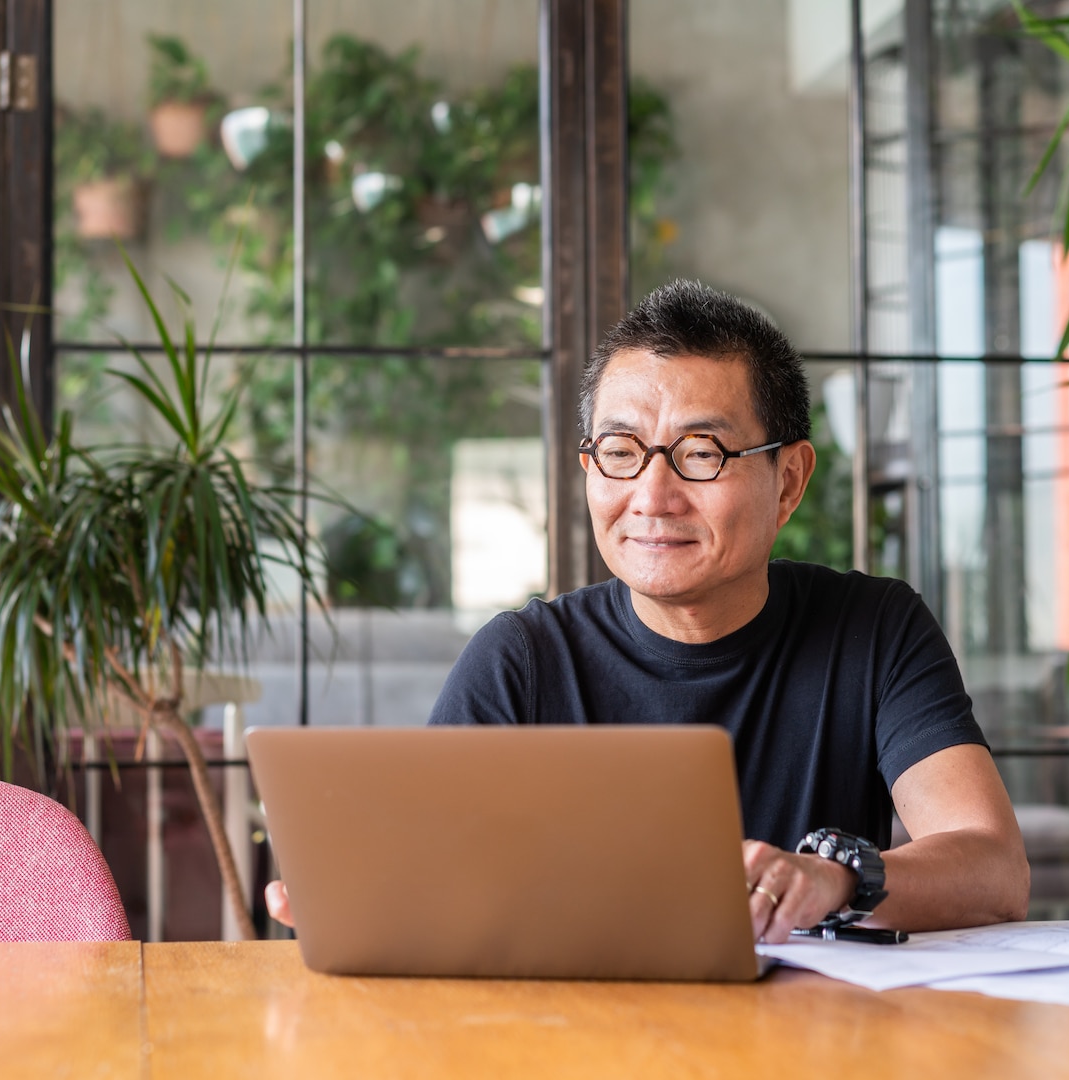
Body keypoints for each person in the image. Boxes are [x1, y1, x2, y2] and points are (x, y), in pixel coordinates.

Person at [270, 279, 1029, 942]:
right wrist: (359, 896)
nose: (652, 497)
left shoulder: (873, 628)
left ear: (789, 481)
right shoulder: (523, 659)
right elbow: (428, 879)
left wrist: (835, 880)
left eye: (701, 453)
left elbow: (992, 870)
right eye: (621, 451)